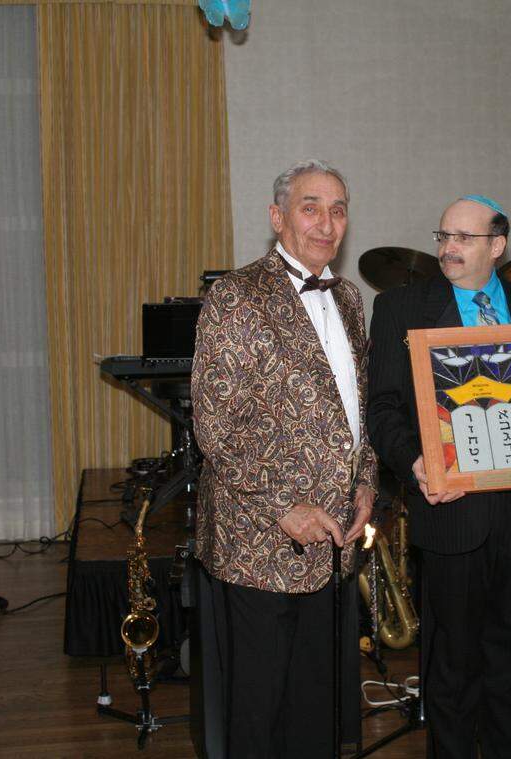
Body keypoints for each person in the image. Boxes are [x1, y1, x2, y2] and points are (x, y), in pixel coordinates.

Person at [367, 195, 511, 758]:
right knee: (452, 662)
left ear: (497, 245)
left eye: (463, 238)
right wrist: (415, 461)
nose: (448, 248)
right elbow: (384, 406)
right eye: (443, 236)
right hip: (450, 509)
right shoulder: (401, 308)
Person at [190, 159, 377, 758]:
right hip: (260, 543)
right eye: (311, 207)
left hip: (334, 541)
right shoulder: (236, 296)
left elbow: (358, 411)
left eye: (339, 210)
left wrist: (366, 483)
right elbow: (216, 429)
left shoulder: (348, 298)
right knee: (258, 712)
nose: (327, 223)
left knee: (315, 709)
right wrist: (282, 505)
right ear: (277, 217)